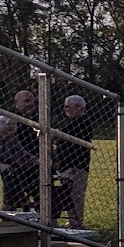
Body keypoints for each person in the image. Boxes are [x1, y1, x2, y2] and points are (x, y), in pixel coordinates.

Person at [51, 94, 94, 228]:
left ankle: (75, 222)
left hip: (76, 165)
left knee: (75, 194)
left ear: (79, 107)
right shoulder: (71, 123)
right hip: (65, 164)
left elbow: (62, 134)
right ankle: (70, 220)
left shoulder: (83, 122)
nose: (65, 109)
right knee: (65, 193)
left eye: (68, 106)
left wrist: (55, 134)